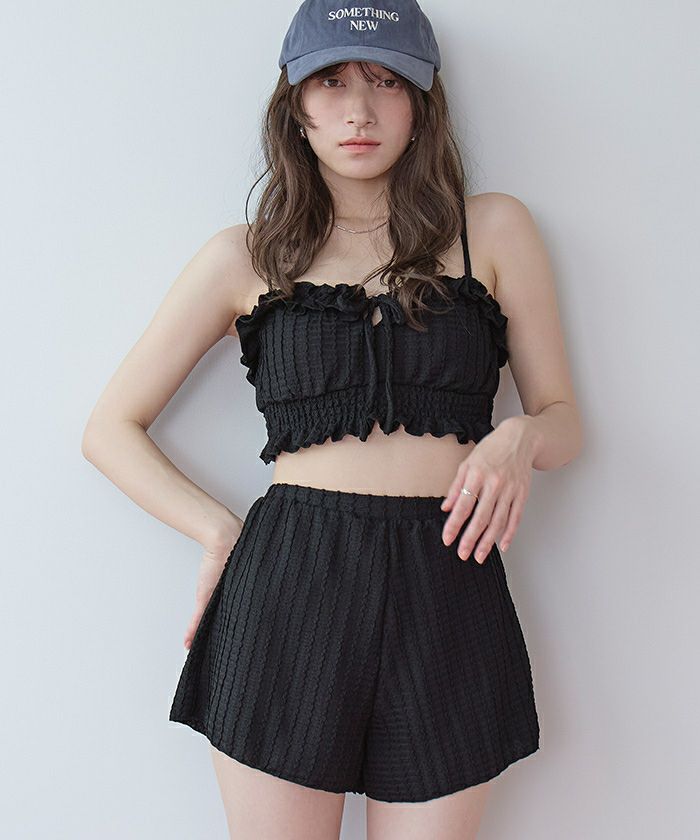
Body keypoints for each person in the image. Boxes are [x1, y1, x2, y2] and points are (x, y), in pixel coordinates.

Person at [82, 1, 583, 837]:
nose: (359, 111)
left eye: (386, 82)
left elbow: (564, 420)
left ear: (422, 103)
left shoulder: (493, 229)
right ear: (295, 105)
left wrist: (520, 437)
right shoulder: (246, 255)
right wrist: (218, 533)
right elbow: (109, 428)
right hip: (289, 586)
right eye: (332, 82)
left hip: (448, 581)